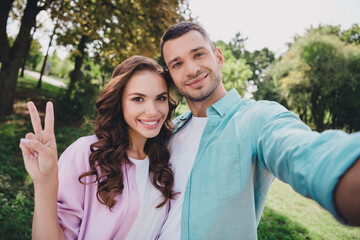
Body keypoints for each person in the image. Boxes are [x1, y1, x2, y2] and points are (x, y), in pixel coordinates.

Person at [158, 22, 360, 239]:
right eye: (177, 64)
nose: (191, 70)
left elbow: (303, 151)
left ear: (218, 57)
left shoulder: (258, 118)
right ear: (171, 76)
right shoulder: (168, 131)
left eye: (198, 54)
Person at [19, 56, 178, 240]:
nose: (152, 110)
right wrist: (45, 182)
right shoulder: (87, 154)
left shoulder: (163, 158)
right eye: (138, 99)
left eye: (160, 98)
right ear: (119, 102)